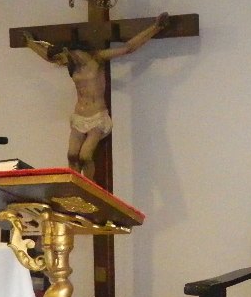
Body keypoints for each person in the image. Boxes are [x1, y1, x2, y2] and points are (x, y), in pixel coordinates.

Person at [23, 12, 169, 178]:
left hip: (97, 116)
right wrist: (30, 44)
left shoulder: (97, 58)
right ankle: (74, 186)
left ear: (80, 50)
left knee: (85, 156)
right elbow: (49, 57)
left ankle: (88, 186)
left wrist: (156, 27)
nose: (71, 57)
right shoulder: (72, 62)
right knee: (72, 155)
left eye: (73, 53)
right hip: (79, 115)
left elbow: (128, 48)